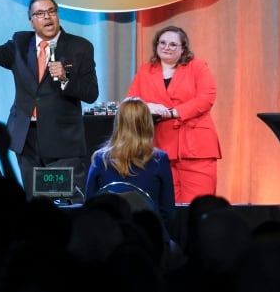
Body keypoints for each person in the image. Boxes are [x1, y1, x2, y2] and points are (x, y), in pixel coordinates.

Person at [0, 0, 99, 198]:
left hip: (62, 142)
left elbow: (91, 93)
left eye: (51, 11)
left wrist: (65, 78)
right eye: (40, 13)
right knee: (34, 203)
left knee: (64, 201)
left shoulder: (79, 47)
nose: (47, 17)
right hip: (26, 139)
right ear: (31, 20)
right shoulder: (20, 42)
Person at [126, 25, 221, 203]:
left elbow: (206, 98)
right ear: (156, 45)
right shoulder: (146, 71)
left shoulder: (198, 67)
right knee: (168, 207)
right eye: (162, 43)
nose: (166, 47)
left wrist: (174, 112)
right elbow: (130, 102)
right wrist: (147, 106)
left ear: (183, 48)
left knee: (199, 206)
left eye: (172, 44)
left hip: (196, 148)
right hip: (161, 148)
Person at [84, 97, 175, 232]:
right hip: (150, 240)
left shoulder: (100, 159)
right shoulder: (159, 159)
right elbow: (168, 213)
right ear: (147, 124)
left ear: (118, 123)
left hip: (110, 240)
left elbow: (88, 207)